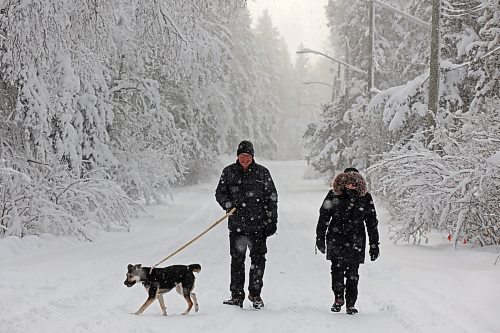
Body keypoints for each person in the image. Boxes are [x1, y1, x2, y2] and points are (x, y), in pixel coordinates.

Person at [215, 140, 278, 309]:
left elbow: (272, 197)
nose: (245, 159)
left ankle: (255, 294)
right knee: (237, 261)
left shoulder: (262, 173)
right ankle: (236, 296)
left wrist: (272, 221)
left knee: (258, 261)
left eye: (248, 156)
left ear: (252, 157)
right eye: (242, 156)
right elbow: (219, 193)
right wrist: (227, 204)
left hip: (259, 227)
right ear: (237, 156)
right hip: (237, 226)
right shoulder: (228, 172)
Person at [315, 167, 380, 314]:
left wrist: (374, 244)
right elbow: (323, 217)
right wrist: (320, 238)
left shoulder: (365, 198)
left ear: (359, 183)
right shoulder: (333, 195)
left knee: (353, 274)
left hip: (356, 241)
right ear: (343, 182)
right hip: (336, 239)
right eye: (348, 182)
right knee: (336, 270)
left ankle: (351, 303)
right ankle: (338, 298)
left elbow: (371, 222)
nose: (351, 186)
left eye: (354, 183)